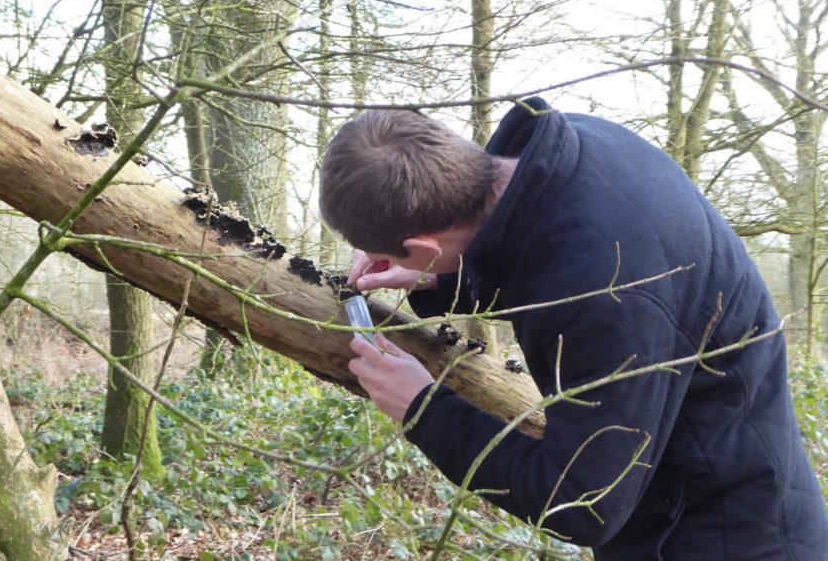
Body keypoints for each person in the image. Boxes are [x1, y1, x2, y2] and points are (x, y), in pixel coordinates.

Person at [319, 98, 828, 560]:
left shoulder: (607, 293)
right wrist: (438, 281)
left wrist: (422, 410)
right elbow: (531, 263)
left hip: (723, 539)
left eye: (389, 253)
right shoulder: (572, 152)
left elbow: (584, 506)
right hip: (714, 497)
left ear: (427, 244)